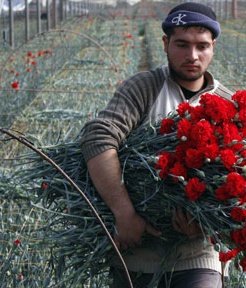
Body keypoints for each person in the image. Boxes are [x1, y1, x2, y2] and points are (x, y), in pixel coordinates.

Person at [80, 2, 233, 287]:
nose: (192, 55)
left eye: (202, 46)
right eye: (182, 44)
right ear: (165, 43)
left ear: (213, 46)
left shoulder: (227, 103)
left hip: (198, 256)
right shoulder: (144, 87)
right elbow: (99, 136)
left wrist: (205, 221)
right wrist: (124, 214)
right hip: (138, 255)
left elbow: (241, 182)